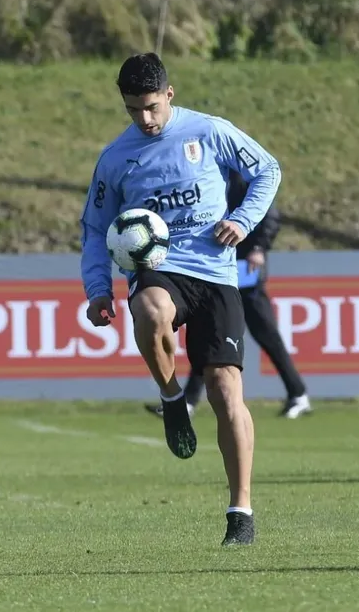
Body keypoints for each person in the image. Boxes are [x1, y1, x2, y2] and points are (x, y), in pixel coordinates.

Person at [79, 53, 281, 546]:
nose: (144, 119)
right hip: (158, 270)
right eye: (133, 110)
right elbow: (93, 228)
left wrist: (244, 220)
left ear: (169, 95)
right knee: (149, 310)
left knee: (225, 393)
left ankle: (241, 512)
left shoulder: (209, 131)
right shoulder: (115, 159)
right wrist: (98, 289)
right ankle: (171, 397)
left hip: (215, 273)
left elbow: (267, 171)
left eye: (151, 107)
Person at [144, 170, 311, 420]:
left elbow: (270, 214)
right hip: (216, 272)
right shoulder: (203, 178)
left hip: (245, 273)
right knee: (210, 338)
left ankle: (298, 394)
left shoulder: (241, 178)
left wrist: (259, 247)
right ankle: (188, 401)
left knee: (267, 336)